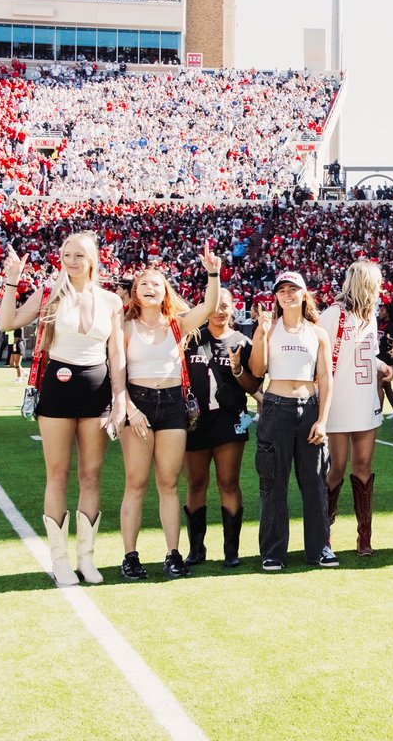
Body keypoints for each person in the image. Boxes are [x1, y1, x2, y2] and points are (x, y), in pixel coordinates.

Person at [0, 234, 127, 586]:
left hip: (97, 393)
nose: (71, 261)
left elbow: (117, 354)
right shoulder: (49, 294)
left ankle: (86, 559)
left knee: (91, 476)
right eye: (66, 254)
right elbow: (6, 322)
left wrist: (120, 398)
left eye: (79, 255)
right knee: (57, 474)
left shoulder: (111, 300)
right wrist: (12, 280)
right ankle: (60, 561)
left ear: (92, 259)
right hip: (57, 390)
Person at [118, 247, 222, 579]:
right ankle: (130, 556)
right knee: (136, 483)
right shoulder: (125, 326)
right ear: (135, 292)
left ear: (165, 292)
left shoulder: (178, 324)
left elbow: (209, 306)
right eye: (144, 284)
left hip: (174, 403)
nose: (150, 288)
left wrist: (213, 272)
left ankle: (173, 554)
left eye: (156, 284)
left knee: (168, 483)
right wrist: (131, 409)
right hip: (138, 404)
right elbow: (116, 374)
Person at [249, 271, 337, 571]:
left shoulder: (318, 333)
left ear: (303, 294)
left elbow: (326, 378)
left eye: (293, 289)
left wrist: (322, 420)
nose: (287, 294)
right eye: (282, 290)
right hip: (276, 408)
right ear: (276, 296)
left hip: (309, 407)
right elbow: (257, 370)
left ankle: (320, 548)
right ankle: (273, 552)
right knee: (274, 483)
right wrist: (260, 335)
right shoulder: (269, 328)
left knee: (315, 482)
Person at [319, 262, 393, 556]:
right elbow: (320, 358)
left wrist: (381, 365)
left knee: (363, 467)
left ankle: (364, 536)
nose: (380, 289)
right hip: (339, 403)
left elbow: (366, 356)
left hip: (365, 402)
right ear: (365, 284)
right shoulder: (332, 314)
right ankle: (324, 532)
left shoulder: (370, 316)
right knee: (336, 468)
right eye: (376, 284)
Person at [183, 288, 260, 568]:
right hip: (194, 422)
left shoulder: (242, 342)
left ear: (233, 308)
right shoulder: (190, 339)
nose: (219, 311)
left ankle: (231, 550)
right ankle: (196, 548)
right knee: (196, 483)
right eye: (214, 305)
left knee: (228, 482)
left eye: (225, 305)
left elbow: (253, 386)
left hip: (230, 422)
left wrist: (238, 369)